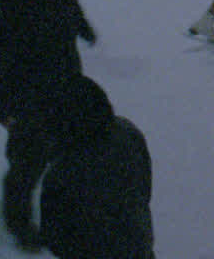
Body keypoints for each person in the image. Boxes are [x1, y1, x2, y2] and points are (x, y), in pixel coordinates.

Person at [0, 0, 97, 250]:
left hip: (64, 79)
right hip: (28, 96)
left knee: (65, 145)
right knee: (26, 162)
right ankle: (18, 222)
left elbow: (70, 3)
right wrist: (0, 108)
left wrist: (82, 27)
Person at [38, 77, 154, 259]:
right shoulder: (128, 133)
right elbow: (144, 189)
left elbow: (55, 238)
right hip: (138, 246)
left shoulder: (63, 171)